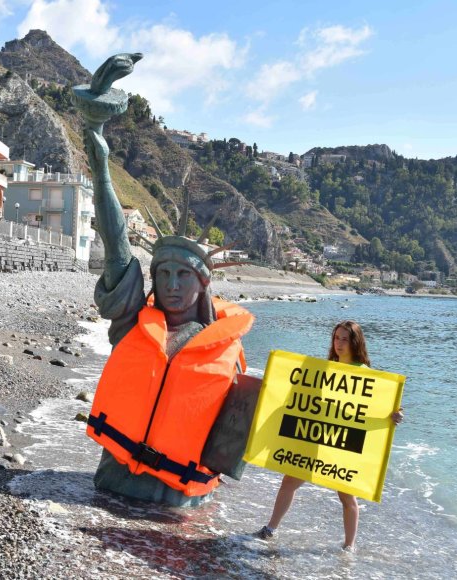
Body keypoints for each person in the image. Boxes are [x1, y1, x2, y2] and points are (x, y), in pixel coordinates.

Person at [75, 53, 254, 507]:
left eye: (182, 275)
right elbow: (116, 243)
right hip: (112, 494)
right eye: (163, 273)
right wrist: (100, 160)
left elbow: (282, 423)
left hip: (179, 512)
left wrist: (379, 419)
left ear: (203, 284)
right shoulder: (133, 320)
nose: (171, 284)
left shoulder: (226, 350)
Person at [255, 320, 404, 551]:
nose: (339, 343)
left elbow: (382, 408)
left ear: (355, 342)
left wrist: (395, 416)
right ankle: (270, 530)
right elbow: (301, 399)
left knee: (346, 497)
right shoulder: (324, 370)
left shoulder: (366, 375)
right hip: (316, 438)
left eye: (345, 339)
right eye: (336, 338)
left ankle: (349, 547)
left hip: (342, 444)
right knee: (289, 482)